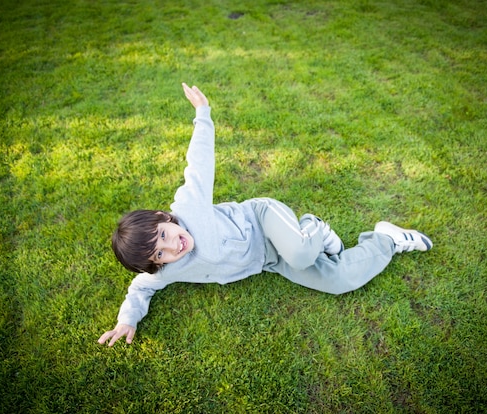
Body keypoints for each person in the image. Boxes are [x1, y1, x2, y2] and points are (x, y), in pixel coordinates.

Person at [98, 83, 433, 347]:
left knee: (302, 253)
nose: (172, 247)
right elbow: (140, 289)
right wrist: (127, 320)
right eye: (160, 254)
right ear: (157, 264)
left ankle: (312, 227)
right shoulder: (166, 270)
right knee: (338, 281)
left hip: (263, 221)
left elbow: (198, 164)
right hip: (268, 260)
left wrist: (203, 113)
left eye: (162, 236)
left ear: (163, 218)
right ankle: (386, 238)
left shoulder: (188, 209)